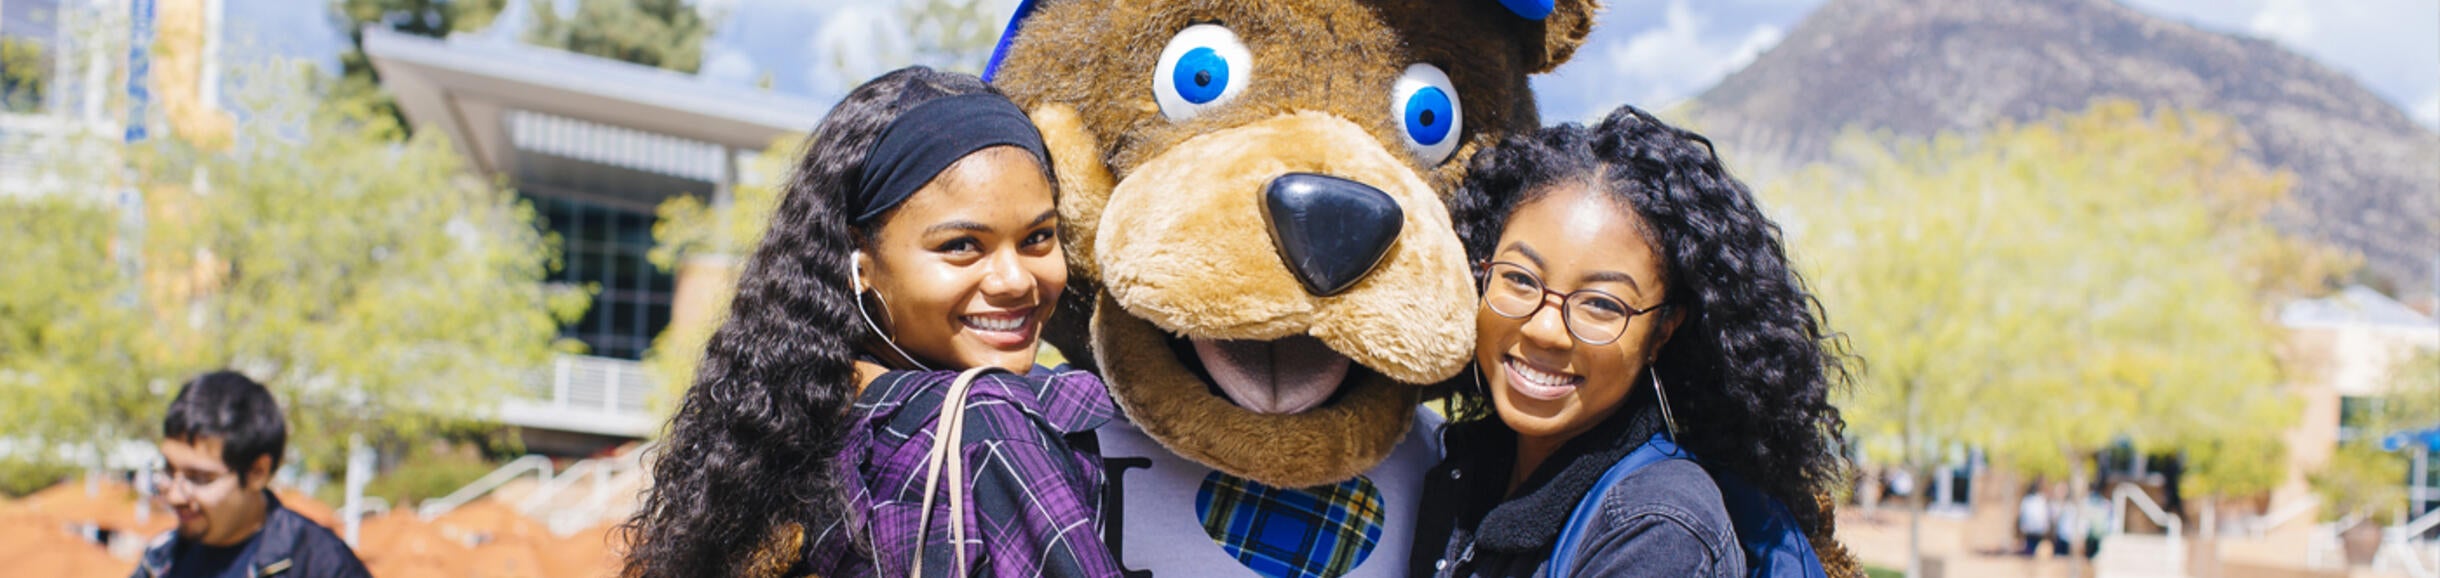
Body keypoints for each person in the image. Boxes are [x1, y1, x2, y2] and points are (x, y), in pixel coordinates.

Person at [619, 66, 1120, 578]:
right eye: (962, 246)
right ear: (859, 261)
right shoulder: (985, 425)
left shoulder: (790, 430)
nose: (1015, 280)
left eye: (1038, 237)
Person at [1412, 105, 1855, 577]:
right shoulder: (1462, 466)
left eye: (1602, 304)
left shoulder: (1658, 531)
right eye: (1520, 279)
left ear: (1662, 331)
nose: (1545, 328)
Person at [134, 371, 369, 578]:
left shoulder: (321, 566)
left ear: (258, 473)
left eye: (199, 478)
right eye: (168, 470)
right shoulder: (161, 560)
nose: (175, 496)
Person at [2017, 483, 2053, 556]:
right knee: (2033, 547)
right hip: (2037, 529)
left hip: (2030, 528)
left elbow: (2022, 514)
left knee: (2031, 547)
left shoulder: (2027, 500)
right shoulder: (2041, 499)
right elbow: (2045, 515)